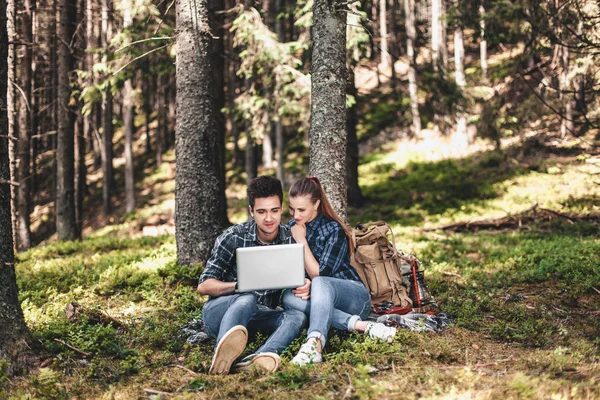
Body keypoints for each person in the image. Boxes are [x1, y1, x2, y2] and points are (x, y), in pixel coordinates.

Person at [197, 176, 308, 375]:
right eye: (261, 212)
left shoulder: (290, 239)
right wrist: (237, 286)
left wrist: (306, 283)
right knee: (247, 298)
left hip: (260, 316)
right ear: (251, 211)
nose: (269, 218)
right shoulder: (233, 237)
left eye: (274, 210)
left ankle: (256, 360)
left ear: (281, 208)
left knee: (296, 316)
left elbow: (302, 276)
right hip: (221, 314)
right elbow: (204, 286)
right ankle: (220, 359)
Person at [282, 176, 397, 365]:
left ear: (316, 204)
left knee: (319, 282)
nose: (295, 215)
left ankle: (314, 345)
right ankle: (362, 326)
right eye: (292, 209)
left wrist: (301, 241)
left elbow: (320, 275)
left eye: (301, 210)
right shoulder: (291, 229)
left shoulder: (332, 229)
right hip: (318, 299)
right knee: (287, 297)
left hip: (353, 296)